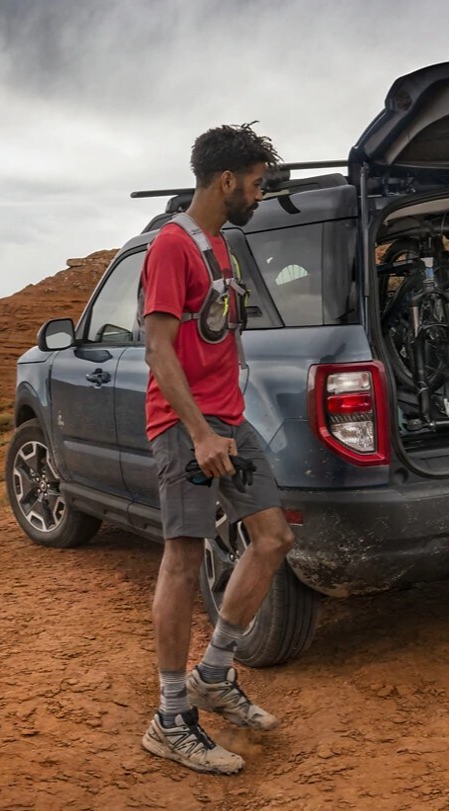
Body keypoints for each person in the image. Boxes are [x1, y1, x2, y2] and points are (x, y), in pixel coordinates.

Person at [138, 123, 290, 774]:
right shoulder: (170, 247)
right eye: (256, 183)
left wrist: (224, 421)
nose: (259, 194)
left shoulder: (220, 246)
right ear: (226, 180)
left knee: (273, 538)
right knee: (181, 557)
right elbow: (157, 349)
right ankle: (171, 717)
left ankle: (214, 672)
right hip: (185, 427)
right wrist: (198, 431)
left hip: (230, 420)